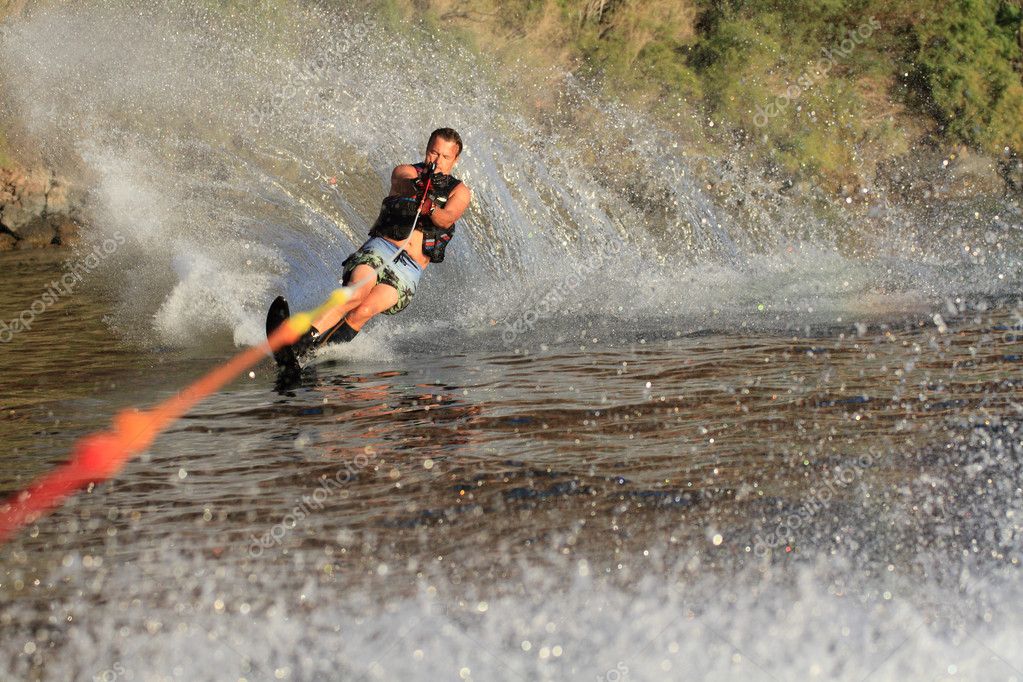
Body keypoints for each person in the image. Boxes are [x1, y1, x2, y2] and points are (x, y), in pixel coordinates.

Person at [284, 128, 471, 360]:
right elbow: (402, 182)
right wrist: (418, 187)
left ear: (455, 159)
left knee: (363, 311)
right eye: (434, 153)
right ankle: (301, 343)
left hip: (409, 269)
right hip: (382, 249)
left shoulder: (460, 192)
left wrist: (431, 207)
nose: (437, 161)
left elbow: (447, 217)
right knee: (355, 294)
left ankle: (315, 356)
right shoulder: (406, 171)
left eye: (445, 157)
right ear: (426, 151)